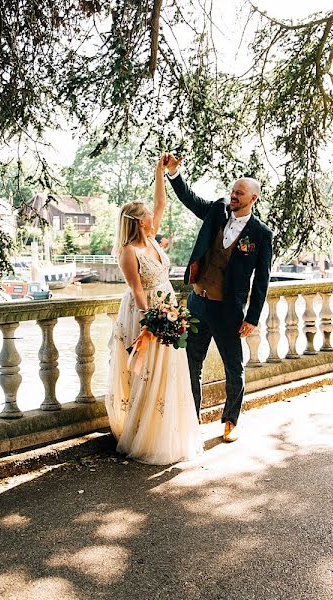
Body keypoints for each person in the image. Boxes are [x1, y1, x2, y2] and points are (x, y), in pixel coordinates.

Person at [163, 153, 273, 443]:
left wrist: (252, 318)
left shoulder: (261, 235)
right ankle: (191, 420)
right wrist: (174, 174)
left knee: (233, 367)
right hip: (198, 303)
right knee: (191, 364)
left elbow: (262, 281)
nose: (233, 196)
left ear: (253, 199)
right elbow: (190, 199)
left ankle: (230, 421)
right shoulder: (216, 211)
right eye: (232, 191)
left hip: (228, 311)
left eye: (240, 193)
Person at [104, 155, 203, 465]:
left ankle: (167, 430)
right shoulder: (128, 251)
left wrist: (160, 171)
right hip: (145, 313)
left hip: (168, 308)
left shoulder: (150, 239)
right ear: (138, 221)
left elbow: (161, 204)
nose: (152, 215)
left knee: (169, 371)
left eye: (150, 213)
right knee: (148, 373)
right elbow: (135, 289)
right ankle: (144, 434)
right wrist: (151, 322)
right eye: (146, 214)